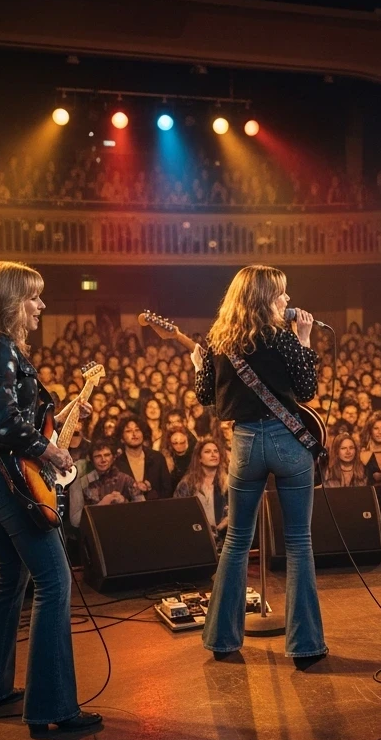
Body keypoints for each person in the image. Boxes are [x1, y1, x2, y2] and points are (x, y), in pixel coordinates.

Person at [0, 260, 101, 733]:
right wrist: (49, 451)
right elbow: (5, 424)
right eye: (33, 297)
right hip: (7, 480)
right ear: (8, 301)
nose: (41, 305)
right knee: (55, 583)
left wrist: (63, 415)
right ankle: (53, 708)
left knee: (9, 577)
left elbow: (8, 418)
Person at [192, 264, 326, 663]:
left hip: (246, 443)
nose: (288, 300)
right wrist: (303, 339)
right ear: (266, 298)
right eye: (281, 293)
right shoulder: (283, 339)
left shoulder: (219, 342)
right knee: (299, 542)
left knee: (235, 541)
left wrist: (200, 368)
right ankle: (305, 647)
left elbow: (207, 399)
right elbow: (307, 390)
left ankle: (222, 640)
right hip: (287, 442)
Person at [173, 437, 228, 544]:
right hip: (195, 539)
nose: (213, 454)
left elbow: (239, 510)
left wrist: (226, 522)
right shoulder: (187, 484)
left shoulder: (228, 483)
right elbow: (178, 513)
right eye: (207, 452)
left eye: (216, 451)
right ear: (199, 458)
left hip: (224, 540)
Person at [114, 417, 172, 499]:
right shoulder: (117, 463)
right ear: (122, 438)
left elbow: (167, 491)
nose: (134, 434)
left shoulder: (157, 458)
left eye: (137, 430)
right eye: (128, 431)